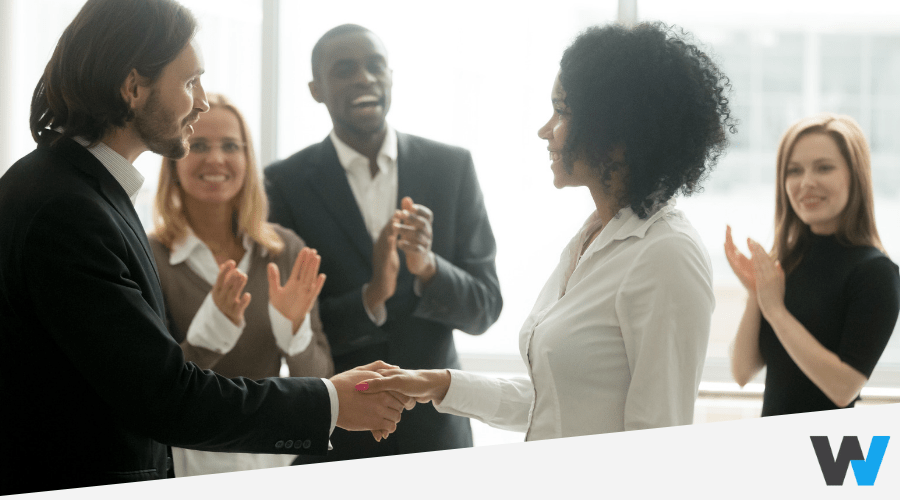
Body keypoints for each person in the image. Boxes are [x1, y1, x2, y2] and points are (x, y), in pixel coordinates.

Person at [0, 0, 408, 494]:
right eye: (189, 82)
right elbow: (164, 396)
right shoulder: (69, 209)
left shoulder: (83, 192)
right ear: (133, 88)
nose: (201, 102)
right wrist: (332, 403)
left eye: (232, 146)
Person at [357, 22, 733, 439]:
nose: (545, 130)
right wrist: (440, 384)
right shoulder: (592, 238)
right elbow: (554, 402)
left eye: (562, 111)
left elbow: (656, 440)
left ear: (617, 134)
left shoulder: (666, 254)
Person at [264, 24, 502, 460]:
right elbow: (291, 324)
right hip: (337, 434)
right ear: (316, 89)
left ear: (391, 76)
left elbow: (485, 308)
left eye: (376, 66)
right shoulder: (284, 183)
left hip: (437, 436)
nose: (364, 78)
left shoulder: (451, 168)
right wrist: (372, 296)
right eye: (345, 69)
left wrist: (428, 267)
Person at [150, 93, 335, 476]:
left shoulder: (284, 251)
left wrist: (295, 332)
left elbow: (321, 381)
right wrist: (206, 339)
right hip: (186, 462)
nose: (216, 159)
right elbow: (151, 391)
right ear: (173, 161)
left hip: (273, 459)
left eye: (230, 146)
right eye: (198, 145)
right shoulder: (149, 254)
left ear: (247, 160)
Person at [726, 113, 900, 416]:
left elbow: (843, 389)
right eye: (794, 170)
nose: (806, 182)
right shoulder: (788, 261)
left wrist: (776, 311)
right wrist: (757, 294)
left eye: (824, 167)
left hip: (833, 454)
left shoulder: (876, 272)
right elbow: (742, 372)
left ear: (854, 176)